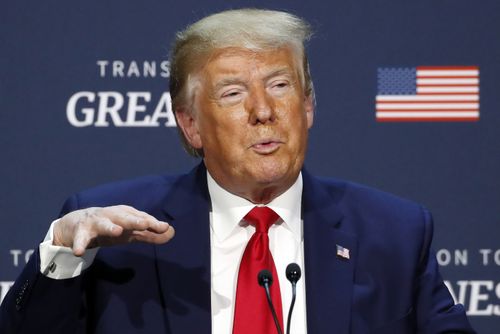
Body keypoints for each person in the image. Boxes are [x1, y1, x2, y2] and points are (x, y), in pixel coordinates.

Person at [0, 8, 475, 334]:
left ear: (308, 106)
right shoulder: (117, 236)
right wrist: (63, 256)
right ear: (190, 125)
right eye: (232, 94)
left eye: (281, 85)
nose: (264, 110)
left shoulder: (393, 231)